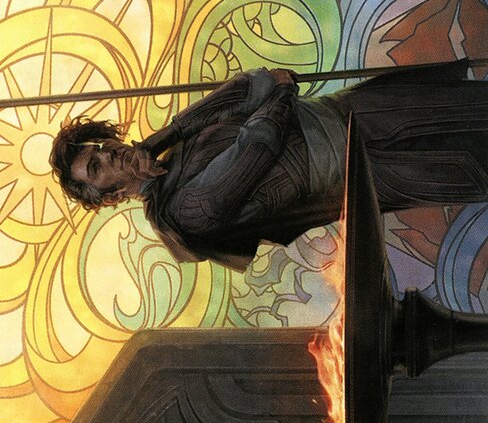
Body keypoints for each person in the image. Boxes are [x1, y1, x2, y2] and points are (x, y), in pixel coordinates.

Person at [50, 59, 488, 271]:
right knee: (475, 163)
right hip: (356, 167)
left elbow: (245, 89)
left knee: (474, 105)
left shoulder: (175, 151)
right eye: (96, 167)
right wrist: (280, 93)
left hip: (349, 112)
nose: (107, 154)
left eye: (101, 146)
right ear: (109, 196)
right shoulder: (180, 214)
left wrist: (162, 137)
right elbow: (258, 145)